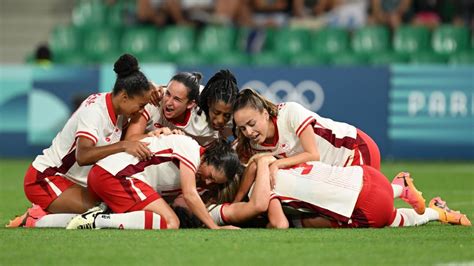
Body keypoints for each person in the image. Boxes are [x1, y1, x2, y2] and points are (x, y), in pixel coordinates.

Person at [6, 54, 152, 227]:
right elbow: (82, 156)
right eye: (141, 105)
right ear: (124, 97)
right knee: (103, 212)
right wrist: (124, 145)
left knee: (117, 205)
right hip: (47, 178)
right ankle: (36, 217)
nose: (141, 111)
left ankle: (47, 210)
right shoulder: (95, 112)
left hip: (74, 182)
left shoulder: (119, 107)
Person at [209, 155, 471, 228]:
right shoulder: (280, 162)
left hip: (366, 205)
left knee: (389, 220)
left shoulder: (266, 192)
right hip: (367, 174)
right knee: (350, 194)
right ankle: (399, 186)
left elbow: (279, 225)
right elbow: (259, 161)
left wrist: (261, 222)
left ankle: (437, 214)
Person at [232, 88, 382, 202]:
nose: (249, 132)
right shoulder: (250, 144)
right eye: (243, 128)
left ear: (265, 114)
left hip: (354, 150)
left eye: (251, 124)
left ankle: (400, 188)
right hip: (333, 171)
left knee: (363, 206)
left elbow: (313, 155)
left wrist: (276, 164)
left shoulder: (290, 113)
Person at [65, 134, 242, 230]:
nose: (207, 181)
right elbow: (189, 195)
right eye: (210, 175)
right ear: (208, 158)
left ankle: (44, 219)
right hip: (116, 177)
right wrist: (214, 228)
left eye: (213, 182)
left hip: (105, 175)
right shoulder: (191, 150)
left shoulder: (195, 162)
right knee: (171, 222)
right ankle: (98, 220)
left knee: (158, 219)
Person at [125, 72, 220, 147]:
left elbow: (207, 159)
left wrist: (182, 142)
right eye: (168, 93)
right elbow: (129, 140)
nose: (168, 102)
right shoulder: (154, 100)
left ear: (191, 104)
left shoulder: (203, 124)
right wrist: (158, 136)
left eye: (177, 99)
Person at [197, 69, 240, 140]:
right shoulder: (193, 101)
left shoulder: (237, 121)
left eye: (227, 115)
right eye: (216, 112)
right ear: (209, 102)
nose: (220, 120)